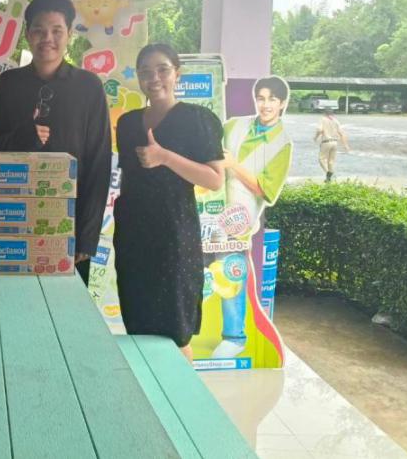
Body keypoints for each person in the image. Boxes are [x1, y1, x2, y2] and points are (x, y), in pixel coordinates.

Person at [0, 0, 112, 285]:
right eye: (39, 30)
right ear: (28, 34)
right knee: (12, 301)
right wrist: (24, 137)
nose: (47, 39)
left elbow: (99, 163)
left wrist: (87, 237)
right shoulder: (8, 84)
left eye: (56, 31)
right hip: (12, 223)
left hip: (69, 228)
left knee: (65, 307)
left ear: (69, 34)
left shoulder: (89, 87)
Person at [113, 44, 225, 360]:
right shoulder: (128, 123)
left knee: (175, 332)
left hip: (174, 237)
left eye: (162, 69)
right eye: (146, 72)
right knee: (138, 325)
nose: (154, 78)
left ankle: (180, 391)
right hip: (133, 237)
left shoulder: (198, 119)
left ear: (178, 74)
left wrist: (164, 157)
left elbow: (214, 179)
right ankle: (148, 388)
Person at [211, 76, 293, 359]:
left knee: (231, 269)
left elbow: (265, 189)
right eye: (261, 98)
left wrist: (234, 165)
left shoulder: (282, 144)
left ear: (282, 103)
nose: (265, 105)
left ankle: (235, 337)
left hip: (239, 217)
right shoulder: (235, 124)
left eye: (272, 99)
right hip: (210, 205)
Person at [314, 109, 349, 182]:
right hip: (335, 142)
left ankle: (328, 173)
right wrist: (345, 145)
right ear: (333, 114)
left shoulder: (323, 119)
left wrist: (315, 137)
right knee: (331, 161)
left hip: (326, 142)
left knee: (321, 159)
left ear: (324, 114)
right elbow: (341, 133)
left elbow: (319, 130)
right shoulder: (336, 121)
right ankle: (330, 178)